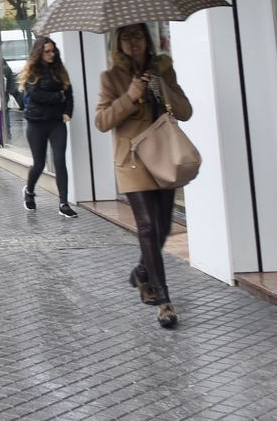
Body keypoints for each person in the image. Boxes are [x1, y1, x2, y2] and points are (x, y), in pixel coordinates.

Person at [94, 22, 193, 330]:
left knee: (163, 228)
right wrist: (130, 95)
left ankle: (141, 273)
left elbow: (186, 111)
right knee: (147, 227)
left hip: (162, 158)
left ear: (147, 39)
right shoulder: (111, 78)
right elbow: (101, 121)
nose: (132, 42)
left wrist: (161, 87)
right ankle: (164, 301)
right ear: (117, 43)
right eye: (125, 37)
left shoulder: (164, 70)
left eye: (137, 36)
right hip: (132, 161)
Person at [20, 37, 76, 218]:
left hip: (57, 122)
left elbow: (69, 93)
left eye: (53, 50)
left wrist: (68, 111)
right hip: (36, 123)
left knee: (60, 161)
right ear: (39, 53)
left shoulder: (60, 70)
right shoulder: (32, 72)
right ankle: (29, 191)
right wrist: (58, 97)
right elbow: (35, 95)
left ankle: (63, 203)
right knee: (39, 163)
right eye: (47, 51)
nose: (52, 54)